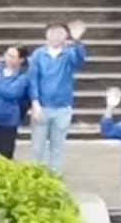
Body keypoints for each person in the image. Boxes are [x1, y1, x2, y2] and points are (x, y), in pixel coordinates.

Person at [27, 19, 88, 173]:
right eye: (52, 32)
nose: (56, 36)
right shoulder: (38, 54)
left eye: (60, 32)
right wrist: (35, 102)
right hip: (43, 106)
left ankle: (55, 180)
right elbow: (33, 79)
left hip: (62, 107)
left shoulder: (69, 54)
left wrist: (77, 40)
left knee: (58, 148)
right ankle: (36, 180)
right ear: (46, 35)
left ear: (66, 36)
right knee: (37, 148)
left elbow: (80, 61)